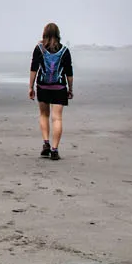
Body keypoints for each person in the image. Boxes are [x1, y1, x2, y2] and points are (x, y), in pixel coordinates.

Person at [28, 22, 73, 160]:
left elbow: (34, 68)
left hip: (43, 87)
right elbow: (69, 72)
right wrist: (70, 89)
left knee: (44, 115)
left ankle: (46, 143)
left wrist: (31, 86)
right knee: (57, 118)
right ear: (58, 34)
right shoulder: (65, 50)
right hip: (59, 87)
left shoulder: (39, 49)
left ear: (44, 34)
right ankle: (54, 150)